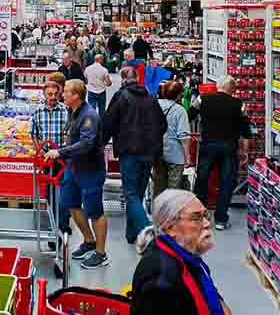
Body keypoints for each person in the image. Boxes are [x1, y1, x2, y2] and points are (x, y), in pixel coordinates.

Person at [45, 80, 110, 269]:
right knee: (70, 203)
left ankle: (101, 253)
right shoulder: (72, 111)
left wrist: (60, 152)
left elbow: (86, 143)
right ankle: (89, 240)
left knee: (95, 212)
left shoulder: (89, 116)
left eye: (66, 91)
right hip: (73, 167)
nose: (62, 94)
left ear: (76, 95)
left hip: (90, 170)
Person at [131, 190, 229, 315]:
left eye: (206, 215)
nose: (207, 224)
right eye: (196, 218)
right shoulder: (161, 281)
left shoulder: (187, 256)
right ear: (170, 227)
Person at [102, 67, 167, 244]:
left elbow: (108, 123)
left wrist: (101, 143)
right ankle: (131, 234)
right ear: (137, 78)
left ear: (123, 79)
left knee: (130, 194)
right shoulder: (151, 98)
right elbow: (162, 124)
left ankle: (148, 231)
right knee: (138, 193)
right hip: (149, 152)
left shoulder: (120, 97)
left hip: (129, 151)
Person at [192, 76, 252, 231]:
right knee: (226, 182)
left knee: (202, 180)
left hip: (208, 146)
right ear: (232, 89)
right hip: (229, 148)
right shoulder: (239, 104)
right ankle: (220, 219)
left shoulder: (203, 98)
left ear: (218, 86)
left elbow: (190, 113)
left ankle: (199, 218)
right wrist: (245, 152)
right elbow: (246, 131)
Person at [154, 81, 192, 199]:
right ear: (179, 95)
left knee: (158, 186)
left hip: (157, 152)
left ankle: (158, 208)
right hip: (175, 154)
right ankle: (171, 209)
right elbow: (183, 136)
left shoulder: (154, 105)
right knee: (174, 190)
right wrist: (187, 156)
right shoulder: (180, 110)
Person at [32, 81, 69, 147]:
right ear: (44, 94)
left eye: (56, 94)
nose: (53, 97)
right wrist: (39, 149)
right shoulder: (38, 111)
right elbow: (34, 134)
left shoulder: (66, 110)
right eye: (50, 94)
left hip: (62, 151)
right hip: (44, 151)